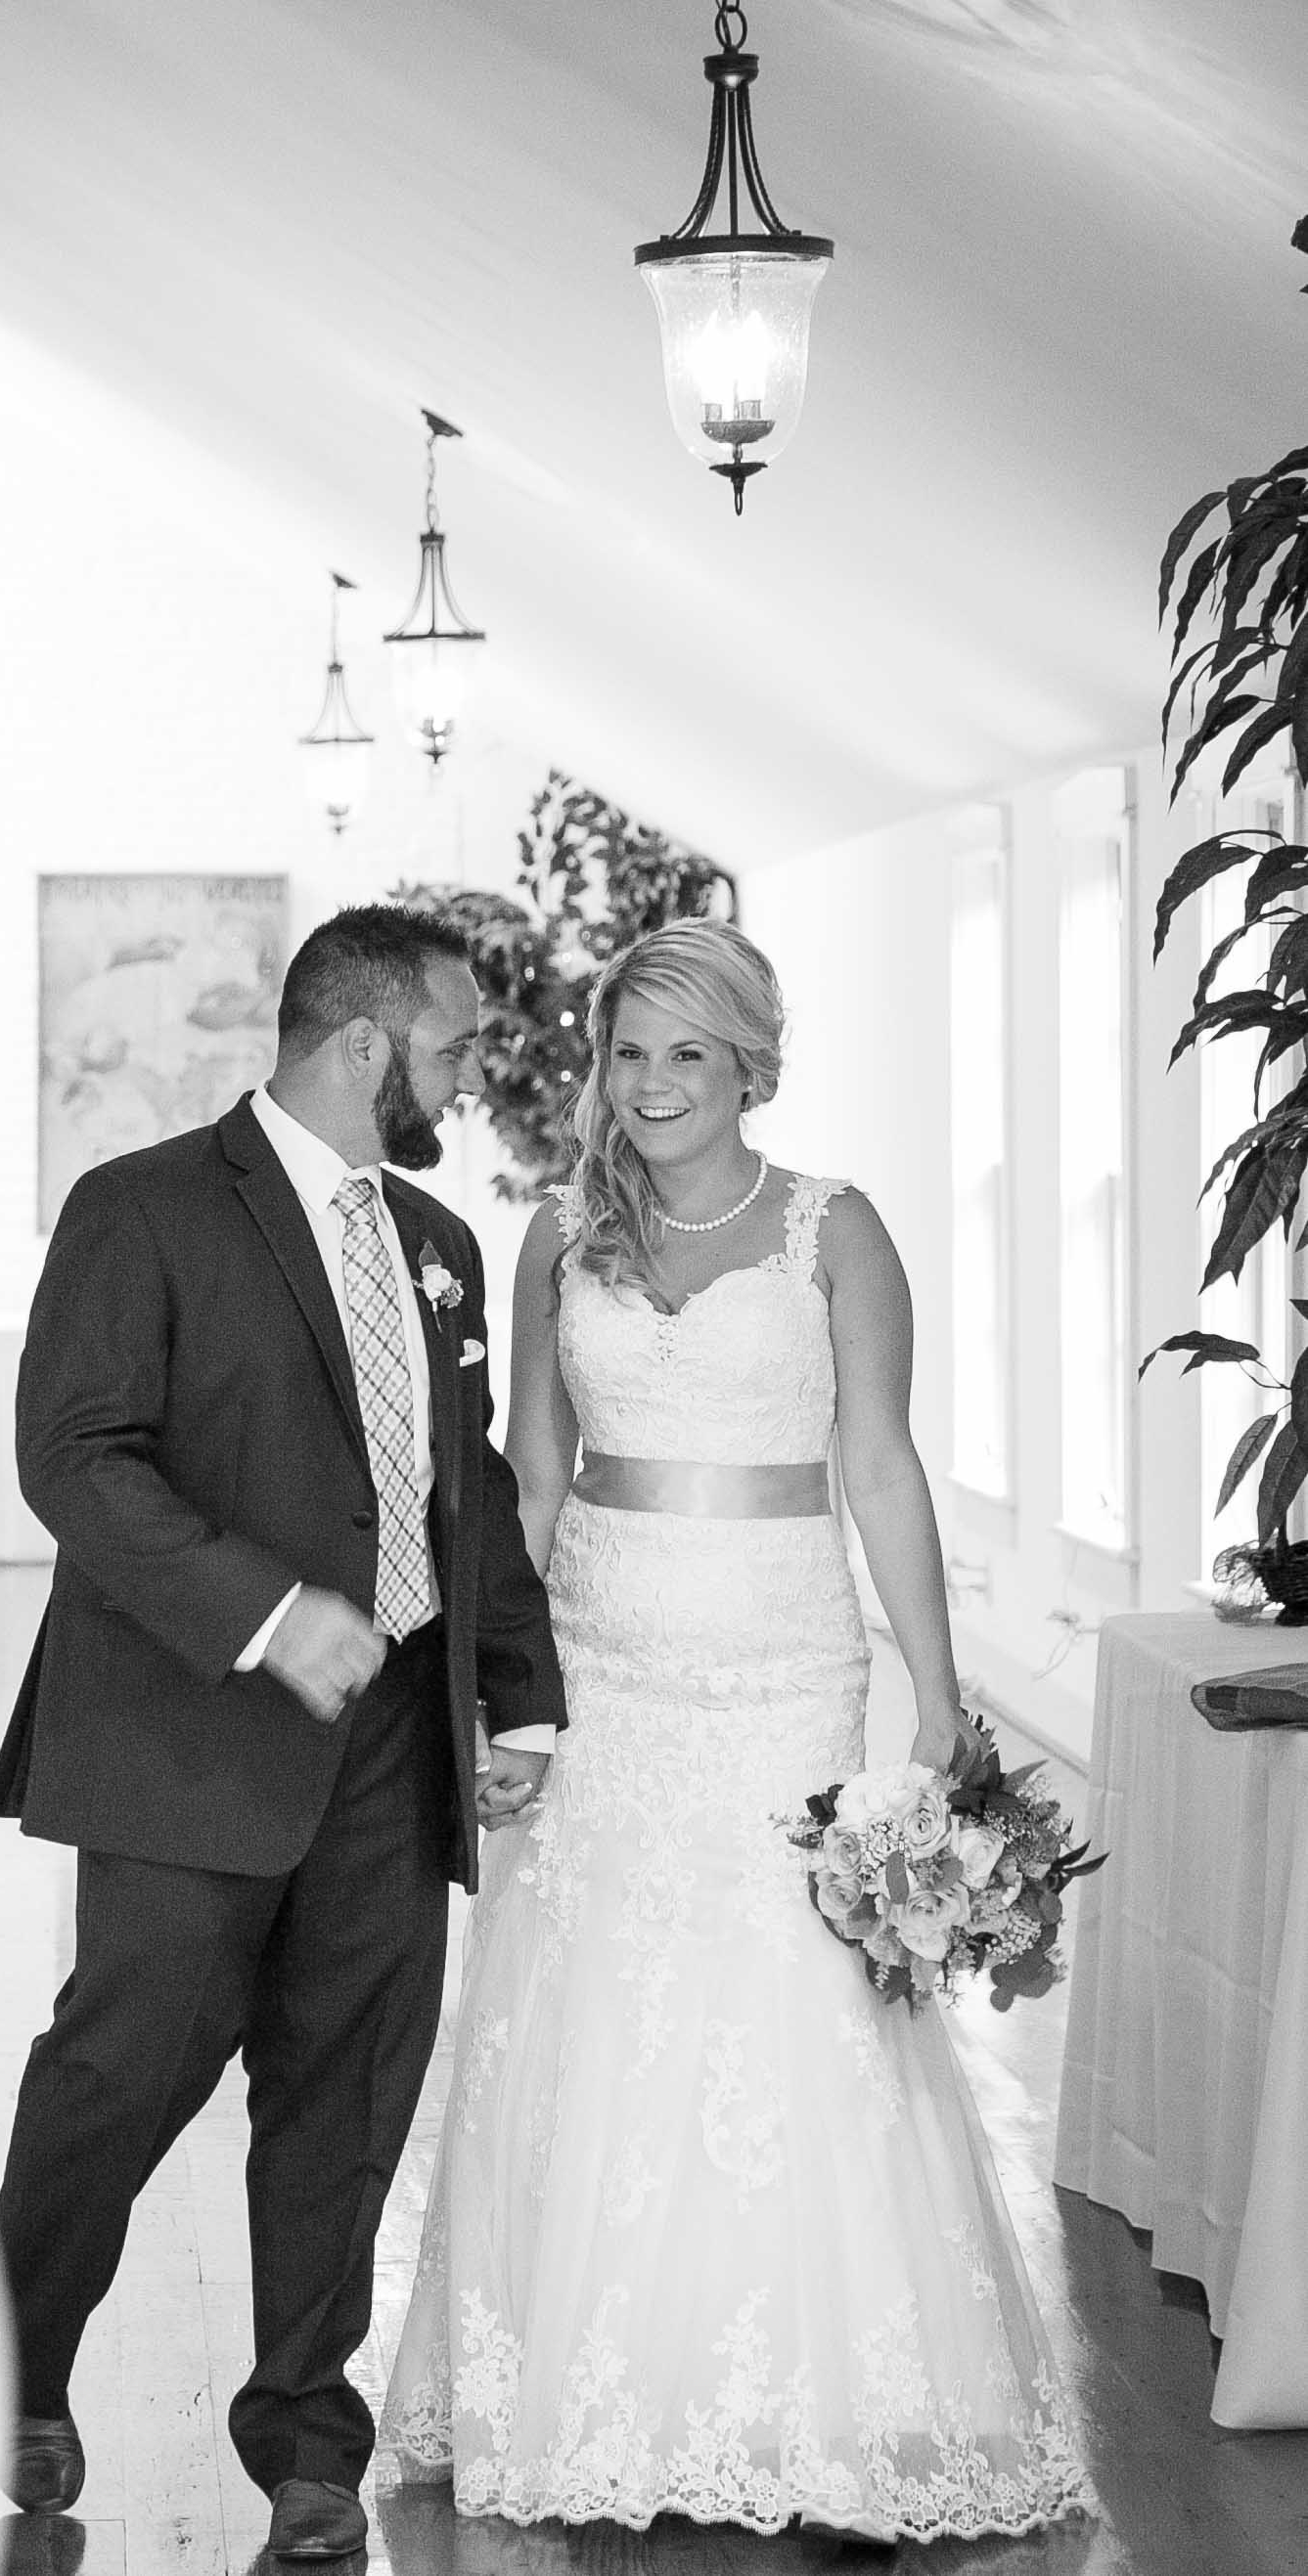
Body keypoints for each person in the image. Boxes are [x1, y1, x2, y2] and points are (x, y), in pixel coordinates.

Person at [380, 918, 1092, 2541]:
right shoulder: (560, 1233)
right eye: (629, 1051)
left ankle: (820, 2405)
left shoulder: (836, 1228)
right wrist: (501, 1685)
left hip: (784, 1663)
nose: (652, 1083)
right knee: (597, 1999)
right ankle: (601, 2393)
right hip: (601, 1660)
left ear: (750, 1064)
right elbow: (532, 1477)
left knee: (794, 1999)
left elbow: (881, 1466)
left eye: (687, 1052)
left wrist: (940, 1686)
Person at [0, 904, 566, 2560]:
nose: (467, 1075)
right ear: (365, 1041)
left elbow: (466, 1485)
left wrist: (518, 1688)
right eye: (451, 1045)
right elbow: (72, 1454)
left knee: (350, 2087)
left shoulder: (437, 1239)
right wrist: (264, 1610)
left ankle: (309, 2433)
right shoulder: (143, 1207)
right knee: (120, 2074)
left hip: (396, 1741)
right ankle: (14, 2357)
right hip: (191, 1731)